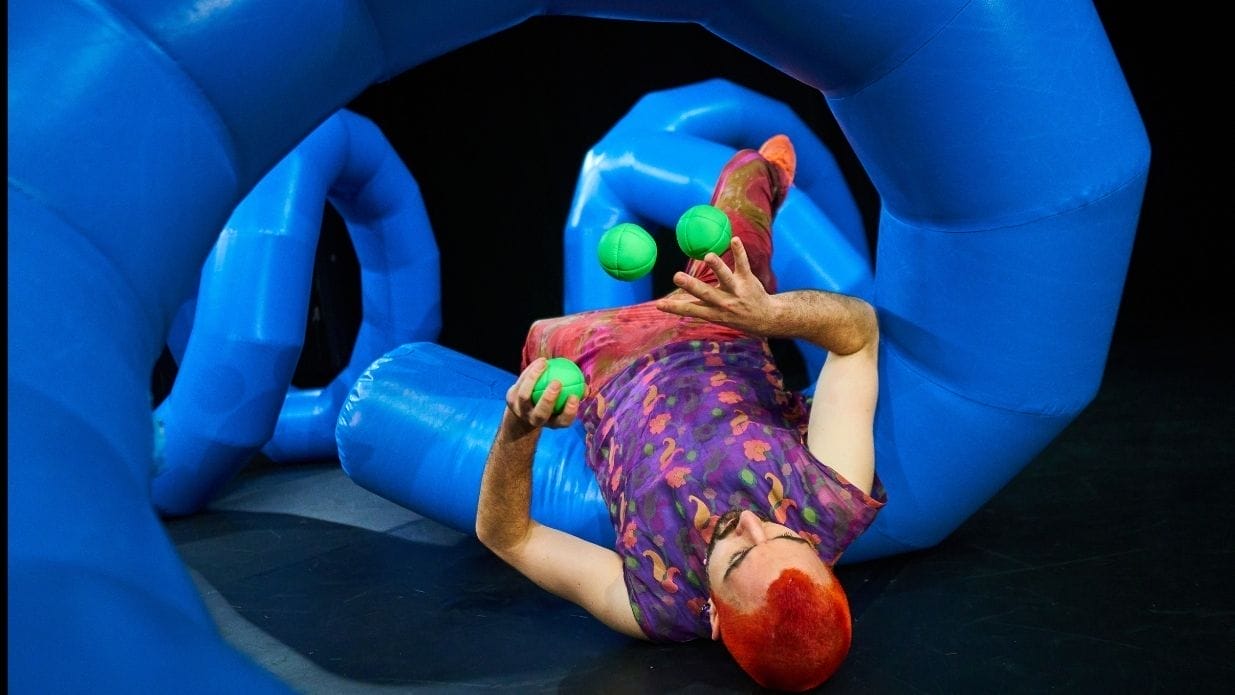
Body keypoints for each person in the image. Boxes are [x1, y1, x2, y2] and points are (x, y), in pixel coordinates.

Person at [475, 135, 885, 692]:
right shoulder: (831, 501)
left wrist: (518, 427)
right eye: (786, 538)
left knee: (541, 337)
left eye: (739, 558)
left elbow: (509, 537)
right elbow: (858, 335)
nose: (752, 524)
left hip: (605, 364)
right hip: (723, 322)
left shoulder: (656, 604)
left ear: (714, 617)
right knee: (745, 182)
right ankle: (772, 174)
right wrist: (766, 313)